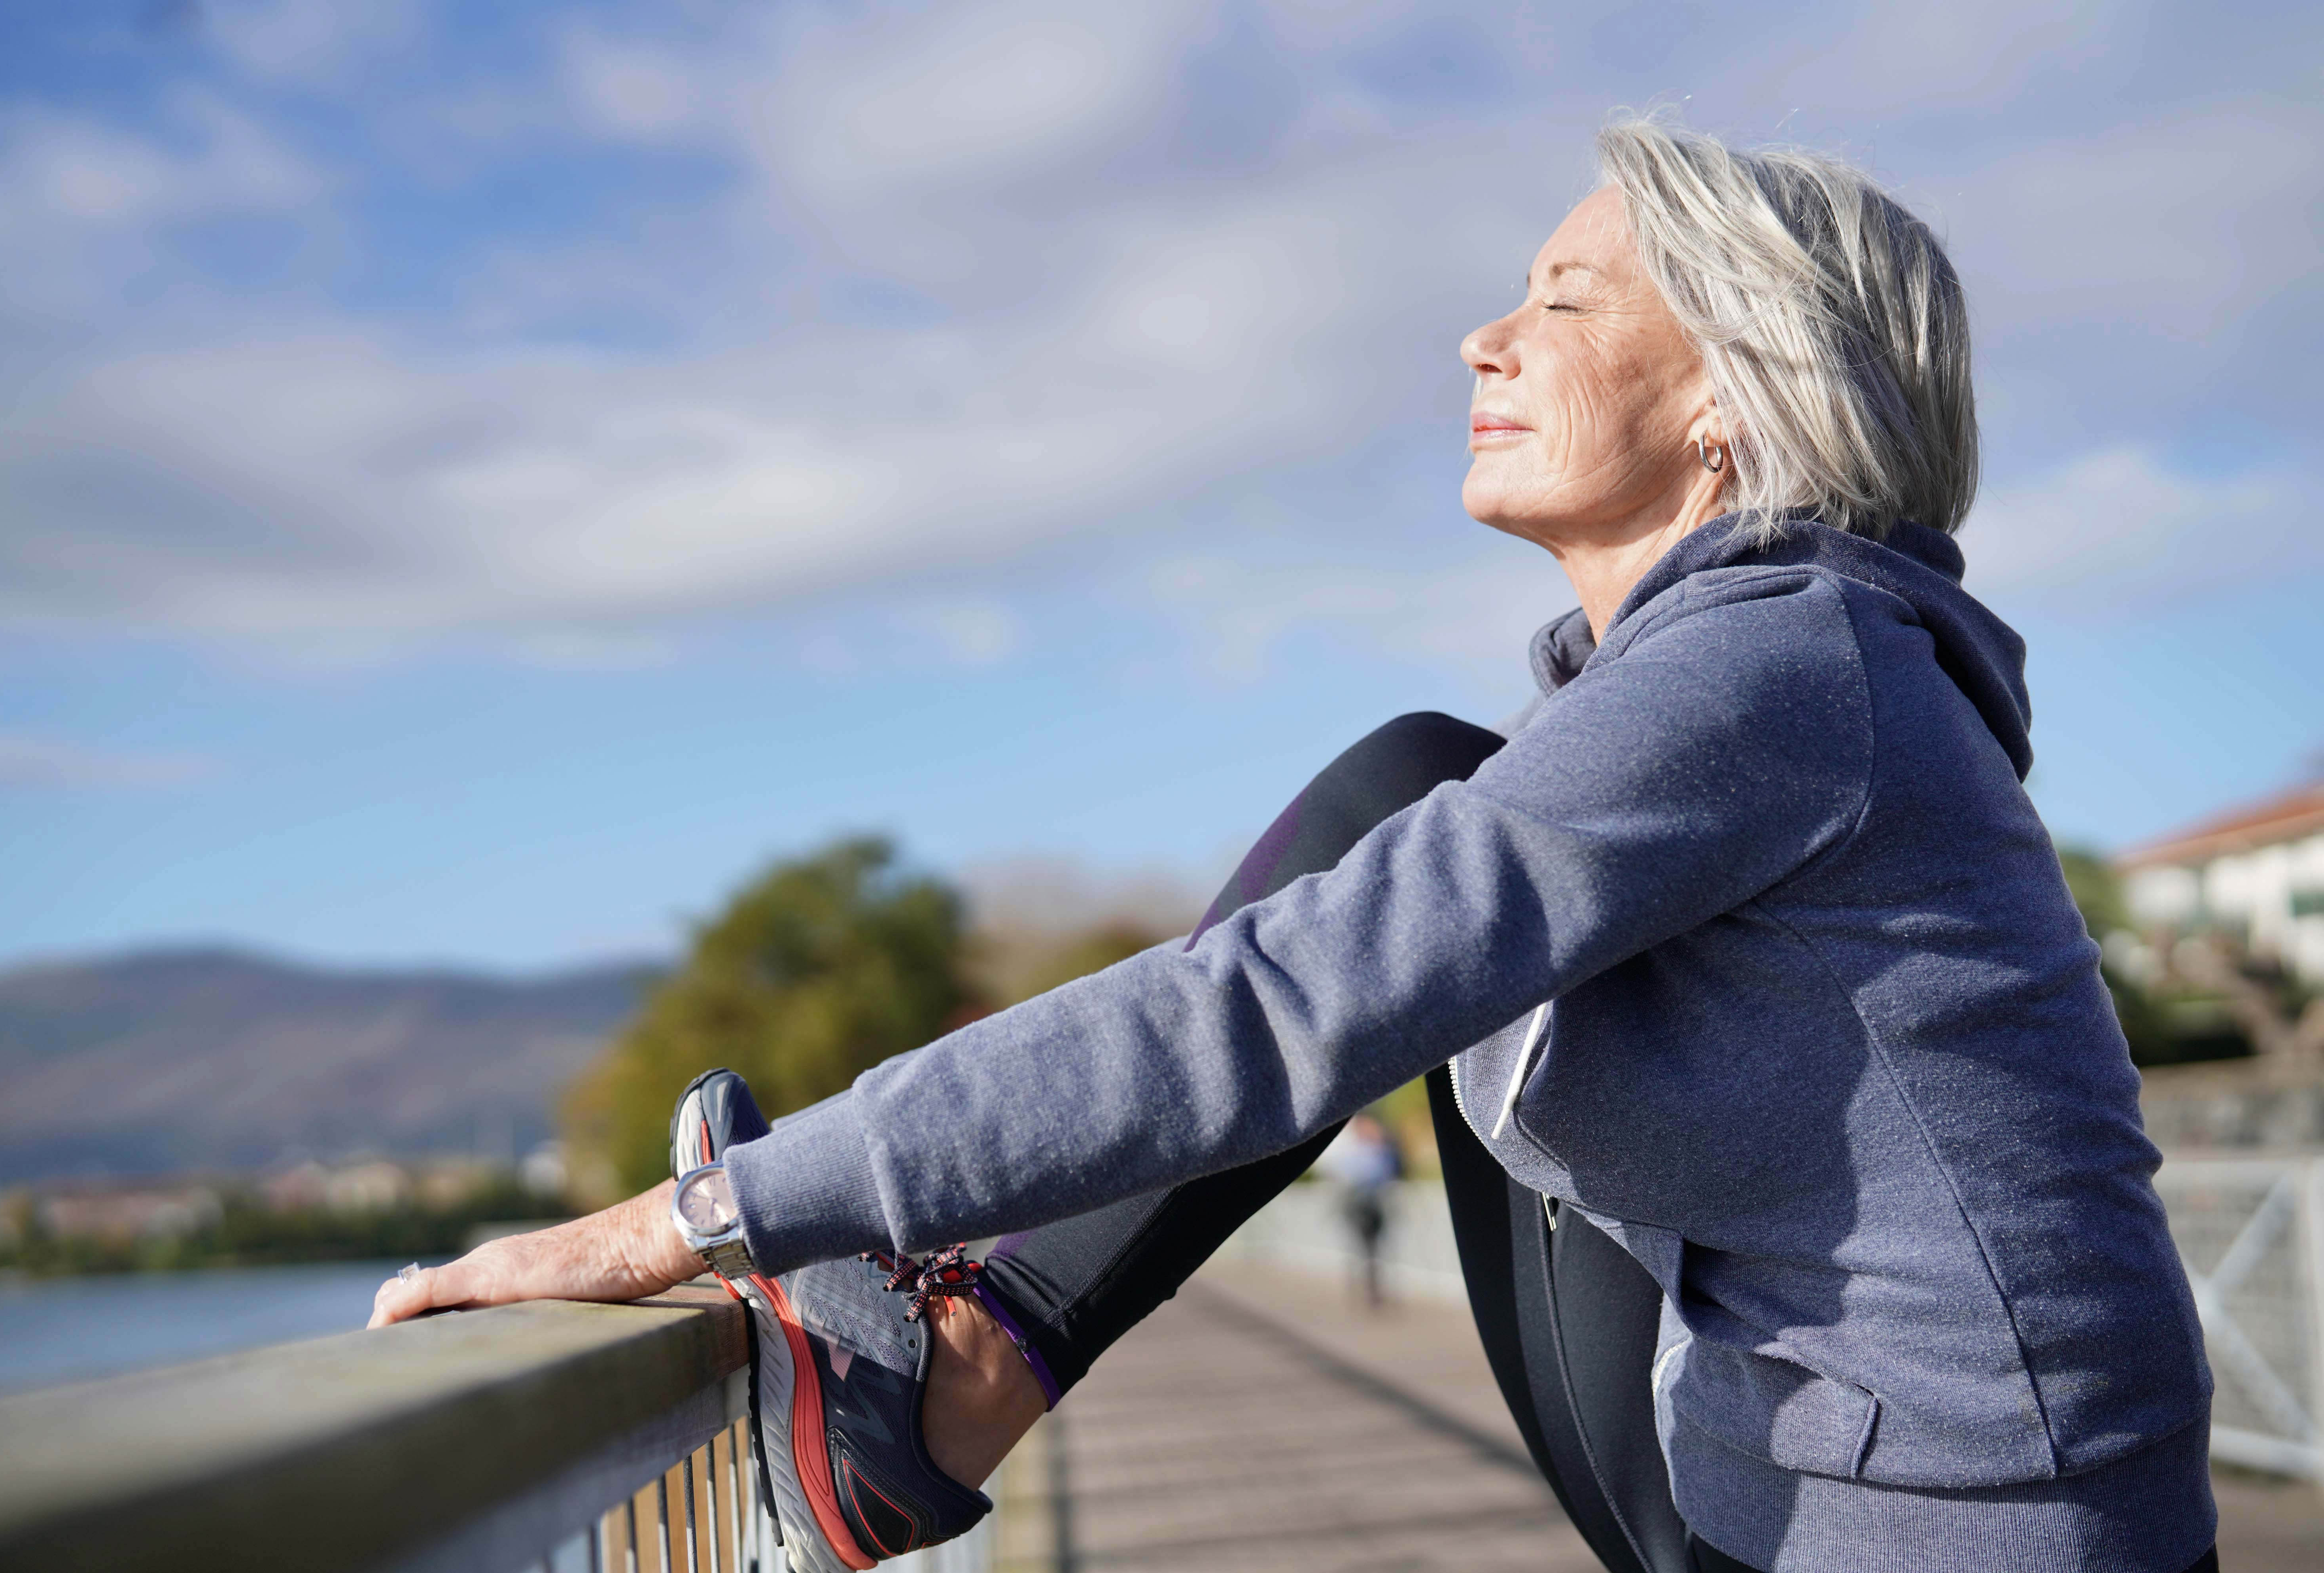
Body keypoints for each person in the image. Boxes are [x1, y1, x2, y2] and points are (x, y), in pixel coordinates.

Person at [373, 116, 2220, 1573]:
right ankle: (946, 1373)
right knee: (1418, 788)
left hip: (1969, 1546)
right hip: (1758, 1489)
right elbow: (1341, 971)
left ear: (1736, 388)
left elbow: (1266, 1011)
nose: (1487, 336)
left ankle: (948, 1380)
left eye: (1570, 299)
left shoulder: (1789, 660)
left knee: (1382, 874)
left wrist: (690, 1222)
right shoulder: (1705, 691)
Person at [1322, 1111, 1402, 1306]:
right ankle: (1362, 1288)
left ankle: (1371, 1290)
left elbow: (1392, 1173)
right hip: (1357, 1206)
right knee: (1361, 1249)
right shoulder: (1351, 1151)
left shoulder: (1384, 1151)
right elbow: (1343, 1177)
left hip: (1376, 1205)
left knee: (1373, 1249)